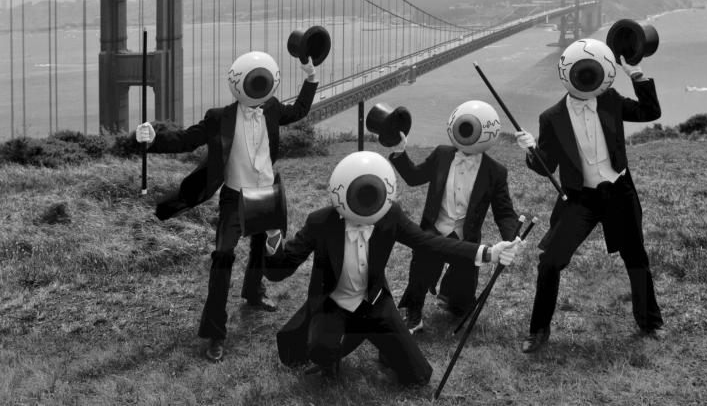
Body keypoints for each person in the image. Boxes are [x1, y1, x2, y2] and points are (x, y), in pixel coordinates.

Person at [262, 151, 524, 386]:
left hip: (375, 302)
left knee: (419, 377)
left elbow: (429, 242)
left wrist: (487, 252)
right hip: (332, 304)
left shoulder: (390, 216)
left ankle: (386, 346)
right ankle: (329, 358)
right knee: (320, 348)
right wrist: (272, 234)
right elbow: (278, 271)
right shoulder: (320, 222)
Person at [135, 50, 317, 362]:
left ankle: (253, 292)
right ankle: (215, 332)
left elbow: (299, 110)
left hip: (267, 193)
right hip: (234, 197)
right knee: (223, 257)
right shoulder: (219, 117)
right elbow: (186, 140)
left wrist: (310, 78)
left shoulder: (271, 108)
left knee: (262, 248)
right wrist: (152, 140)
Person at [513, 38, 664, 353]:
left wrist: (636, 74)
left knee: (636, 258)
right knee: (550, 262)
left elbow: (650, 111)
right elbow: (546, 167)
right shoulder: (550, 117)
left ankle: (650, 323)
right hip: (579, 199)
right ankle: (538, 331)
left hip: (619, 192)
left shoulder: (610, 99)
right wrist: (531, 151)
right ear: (567, 74)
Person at [388, 100, 521, 334]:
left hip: (465, 236)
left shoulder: (495, 171)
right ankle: (414, 313)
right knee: (420, 269)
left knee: (461, 304)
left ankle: (452, 297)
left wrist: (512, 239)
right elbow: (414, 177)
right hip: (434, 229)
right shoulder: (442, 154)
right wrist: (400, 151)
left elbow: (504, 211)